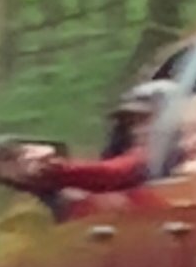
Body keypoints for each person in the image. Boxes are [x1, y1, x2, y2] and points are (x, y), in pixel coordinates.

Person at [24, 80, 178, 196]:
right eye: (132, 123)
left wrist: (56, 170)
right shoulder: (148, 155)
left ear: (175, 118)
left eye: (146, 120)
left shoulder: (173, 152)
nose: (136, 130)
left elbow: (114, 173)